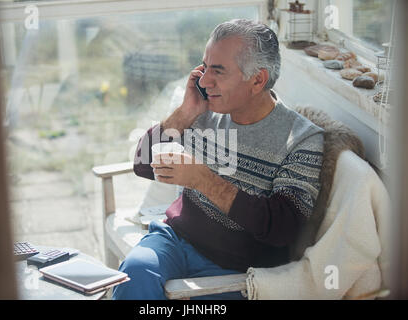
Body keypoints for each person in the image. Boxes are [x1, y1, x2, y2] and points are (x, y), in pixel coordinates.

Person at [112, 18, 324, 300]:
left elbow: (280, 229)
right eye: (205, 66)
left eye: (218, 71)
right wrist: (186, 113)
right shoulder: (206, 110)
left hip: (237, 269)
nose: (203, 80)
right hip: (174, 240)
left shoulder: (301, 139)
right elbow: (142, 163)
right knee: (133, 275)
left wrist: (204, 180)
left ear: (257, 79)